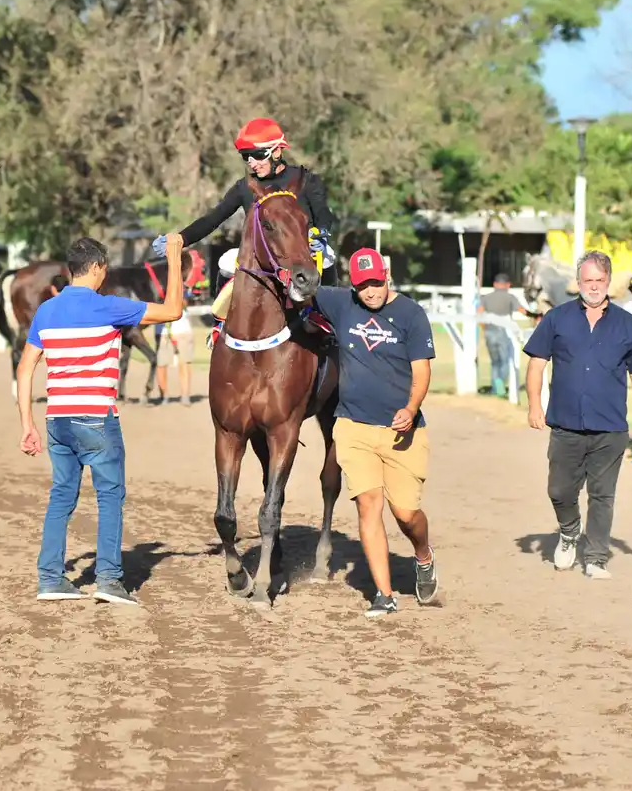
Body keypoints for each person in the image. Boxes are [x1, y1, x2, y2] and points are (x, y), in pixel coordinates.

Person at [16, 233, 186, 605]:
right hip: (96, 417)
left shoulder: (47, 310)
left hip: (57, 418)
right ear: (95, 267)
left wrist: (27, 423)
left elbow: (25, 368)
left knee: (62, 496)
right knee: (109, 497)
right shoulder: (109, 307)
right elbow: (173, 310)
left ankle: (50, 579)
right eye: (103, 268)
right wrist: (174, 257)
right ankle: (108, 580)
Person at [313, 248, 438, 618]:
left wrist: (411, 408)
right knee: (368, 505)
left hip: (403, 432)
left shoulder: (411, 314)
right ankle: (385, 595)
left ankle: (423, 555)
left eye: (376, 282)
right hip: (353, 427)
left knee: (406, 514)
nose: (370, 291)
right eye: (363, 285)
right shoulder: (342, 304)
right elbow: (298, 286)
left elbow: (422, 370)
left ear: (387, 275)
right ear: (353, 285)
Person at [523, 251, 632, 580]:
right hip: (565, 424)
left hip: (610, 427)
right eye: (588, 280)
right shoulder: (557, 318)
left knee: (602, 495)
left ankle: (596, 557)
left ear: (609, 282)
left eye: (600, 280)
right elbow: (536, 363)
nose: (594, 286)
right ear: (578, 282)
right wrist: (534, 405)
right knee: (559, 491)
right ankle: (569, 531)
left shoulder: (626, 324)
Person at [154, 117, 337, 280]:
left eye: (258, 155)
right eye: (246, 156)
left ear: (277, 152)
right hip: (260, 258)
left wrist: (321, 232)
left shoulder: (306, 180)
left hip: (302, 251)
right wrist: (180, 239)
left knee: (327, 256)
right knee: (226, 261)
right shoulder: (244, 187)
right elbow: (213, 218)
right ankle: (221, 310)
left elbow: (322, 212)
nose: (252, 163)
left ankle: (328, 307)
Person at [477, 273, 523, 396]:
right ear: (508, 285)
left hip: (489, 331)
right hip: (504, 332)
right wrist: (535, 315)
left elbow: (479, 314)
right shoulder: (510, 297)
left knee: (495, 362)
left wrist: (484, 328)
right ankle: (500, 383)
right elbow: (521, 310)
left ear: (495, 284)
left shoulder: (486, 298)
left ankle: (495, 388)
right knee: (504, 360)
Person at [154, 312, 195, 405]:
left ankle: (185, 395)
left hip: (182, 331)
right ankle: (164, 395)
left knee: (184, 363)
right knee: (160, 364)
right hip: (162, 333)